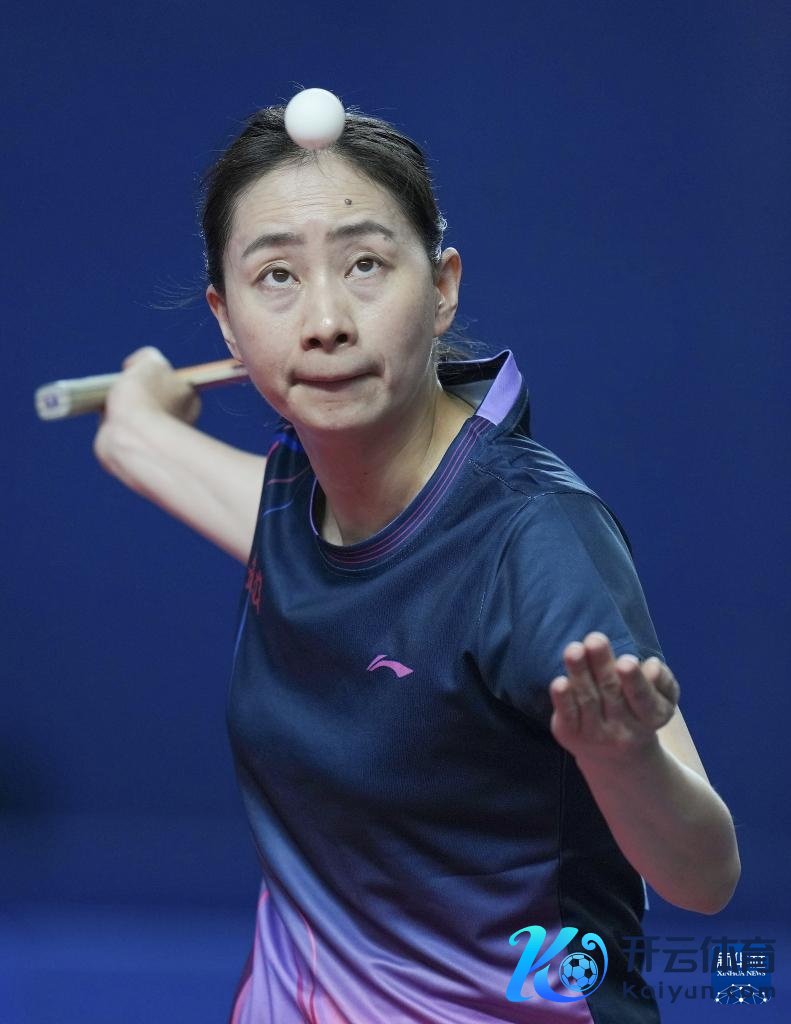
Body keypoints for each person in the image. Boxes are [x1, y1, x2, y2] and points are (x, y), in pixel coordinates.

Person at [93, 106, 740, 1024]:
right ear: (225, 323)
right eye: (276, 277)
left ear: (441, 288)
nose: (324, 321)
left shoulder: (529, 540)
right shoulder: (292, 502)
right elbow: (137, 444)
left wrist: (622, 758)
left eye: (364, 264)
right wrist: (138, 410)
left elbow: (704, 877)